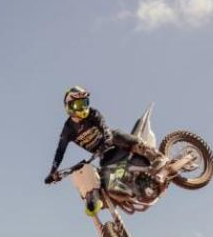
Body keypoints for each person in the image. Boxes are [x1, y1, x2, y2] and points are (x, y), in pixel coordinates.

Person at [44, 86, 160, 215]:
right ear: (69, 106)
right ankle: (129, 191)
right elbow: (60, 151)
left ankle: (156, 156)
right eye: (79, 104)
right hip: (105, 156)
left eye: (85, 103)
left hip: (114, 142)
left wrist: (108, 139)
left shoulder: (93, 113)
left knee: (117, 135)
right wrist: (53, 172)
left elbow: (104, 126)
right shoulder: (68, 129)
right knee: (108, 183)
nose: (83, 107)